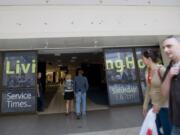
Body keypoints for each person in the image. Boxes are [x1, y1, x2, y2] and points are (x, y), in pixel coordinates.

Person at [142, 49, 171, 135]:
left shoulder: (161, 70)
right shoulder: (147, 71)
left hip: (165, 106)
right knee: (152, 128)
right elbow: (148, 89)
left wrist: (159, 105)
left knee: (168, 131)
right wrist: (145, 105)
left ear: (149, 59)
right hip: (155, 106)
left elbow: (168, 88)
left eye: (143, 58)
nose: (142, 60)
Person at [161, 35, 180, 135]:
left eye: (169, 46)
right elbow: (164, 93)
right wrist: (169, 76)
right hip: (176, 123)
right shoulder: (169, 68)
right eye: (164, 47)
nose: (165, 50)